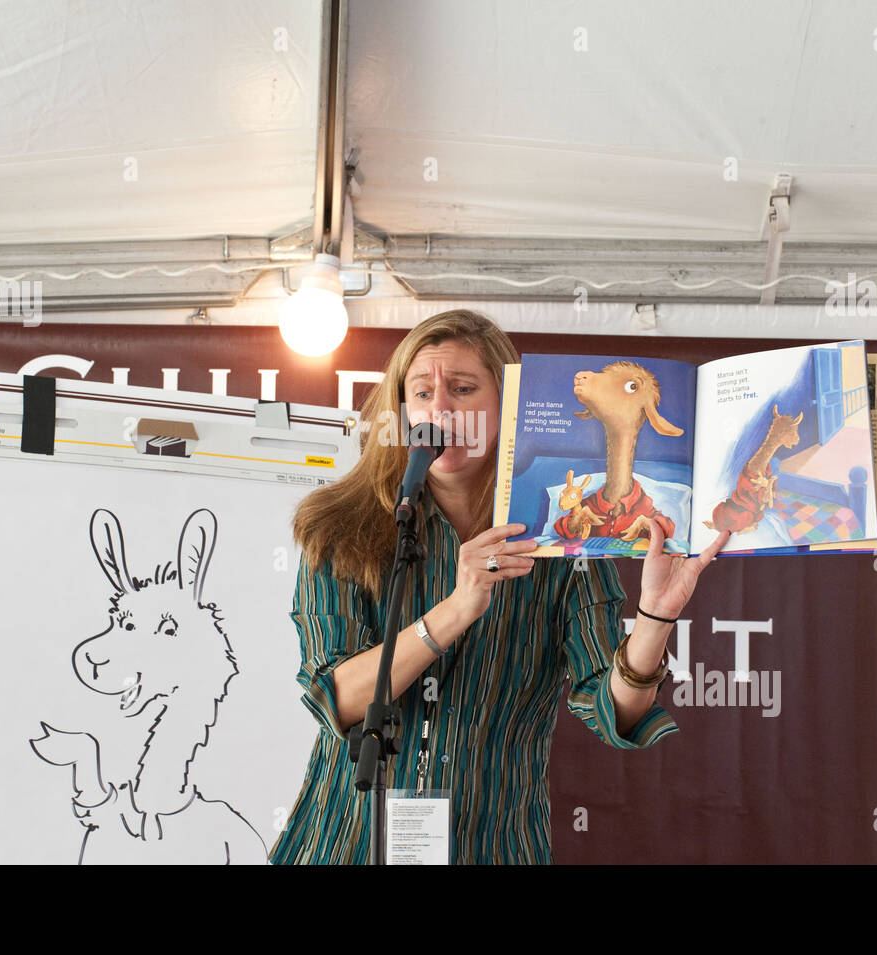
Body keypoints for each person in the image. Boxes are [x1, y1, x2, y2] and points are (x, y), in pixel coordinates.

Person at [270, 310, 730, 864]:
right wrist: (457, 608)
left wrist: (654, 617)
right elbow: (335, 698)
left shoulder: (562, 536)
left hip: (492, 844)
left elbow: (615, 714)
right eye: (422, 393)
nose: (441, 409)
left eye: (463, 389)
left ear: (508, 408)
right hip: (349, 843)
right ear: (401, 413)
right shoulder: (340, 527)